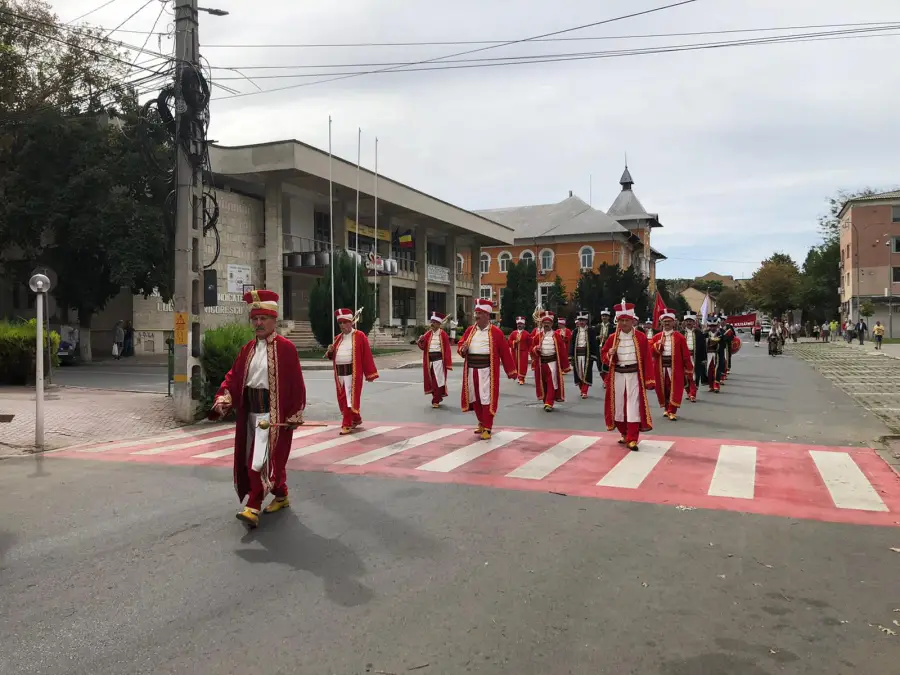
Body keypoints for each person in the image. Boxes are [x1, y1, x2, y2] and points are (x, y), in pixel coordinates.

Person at [210, 290, 307, 529]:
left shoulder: (287, 348)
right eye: (255, 319)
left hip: (273, 417)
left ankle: (253, 507)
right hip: (250, 415)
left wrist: (295, 413)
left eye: (263, 318)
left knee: (259, 462)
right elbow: (233, 378)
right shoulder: (247, 350)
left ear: (274, 320)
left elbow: (297, 384)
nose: (258, 323)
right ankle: (281, 494)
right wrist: (224, 397)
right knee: (257, 459)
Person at [458, 299, 517, 439]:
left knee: (486, 398)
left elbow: (505, 352)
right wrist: (462, 348)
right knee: (475, 397)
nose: (476, 316)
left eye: (479, 313)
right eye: (476, 313)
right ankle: (481, 422)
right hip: (471, 369)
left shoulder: (496, 332)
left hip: (487, 371)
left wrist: (511, 371)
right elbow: (461, 344)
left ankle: (488, 428)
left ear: (487, 315)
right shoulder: (470, 331)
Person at [601, 300, 655, 450]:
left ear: (633, 321)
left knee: (633, 406)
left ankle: (632, 438)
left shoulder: (641, 337)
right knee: (618, 406)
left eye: (627, 320)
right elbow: (604, 355)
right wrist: (609, 354)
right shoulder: (612, 338)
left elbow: (647, 360)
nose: (624, 323)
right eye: (621, 320)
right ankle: (624, 433)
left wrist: (649, 379)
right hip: (617, 375)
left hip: (634, 376)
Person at [325, 308, 379, 435]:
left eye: (345, 322)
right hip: (339, 374)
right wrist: (330, 351)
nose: (342, 325)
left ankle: (347, 423)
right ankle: (356, 419)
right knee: (343, 399)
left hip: (352, 374)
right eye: (340, 323)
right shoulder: (338, 338)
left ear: (351, 322)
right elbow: (331, 356)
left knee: (349, 399)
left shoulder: (360, 336)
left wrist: (370, 373)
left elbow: (367, 355)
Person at [650, 308, 694, 421]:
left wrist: (688, 368)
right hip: (660, 368)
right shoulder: (656, 337)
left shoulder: (680, 337)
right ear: (661, 323)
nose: (667, 324)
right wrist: (656, 347)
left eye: (669, 321)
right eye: (665, 322)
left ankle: (672, 410)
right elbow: (651, 353)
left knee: (675, 388)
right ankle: (666, 408)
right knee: (663, 388)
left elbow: (685, 355)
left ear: (674, 322)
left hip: (675, 368)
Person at [531, 310, 571, 411]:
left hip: (552, 363)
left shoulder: (556, 336)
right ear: (542, 323)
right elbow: (531, 350)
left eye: (548, 323)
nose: (546, 325)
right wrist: (536, 349)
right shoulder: (537, 336)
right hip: (541, 363)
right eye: (544, 323)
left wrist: (565, 365)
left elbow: (562, 351)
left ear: (552, 324)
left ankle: (549, 403)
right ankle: (546, 401)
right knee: (543, 383)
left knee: (551, 382)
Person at [417, 311, 452, 408]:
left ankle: (436, 400)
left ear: (439, 324)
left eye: (434, 322)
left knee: (437, 381)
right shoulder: (428, 334)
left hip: (439, 361)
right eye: (431, 321)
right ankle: (437, 396)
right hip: (429, 362)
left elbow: (447, 349)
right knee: (431, 381)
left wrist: (447, 363)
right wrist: (421, 341)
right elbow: (423, 347)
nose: (432, 323)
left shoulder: (443, 335)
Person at [570, 312, 599, 399]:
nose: (581, 322)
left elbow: (594, 344)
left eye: (583, 320)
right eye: (580, 320)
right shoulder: (575, 331)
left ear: (586, 321)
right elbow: (572, 344)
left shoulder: (590, 331)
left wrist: (594, 355)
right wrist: (570, 356)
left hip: (587, 355)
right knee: (579, 373)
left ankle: (584, 391)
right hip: (577, 354)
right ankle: (581, 389)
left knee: (586, 373)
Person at [681, 312, 706, 402]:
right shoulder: (680, 333)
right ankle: (688, 392)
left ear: (694, 322)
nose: (689, 323)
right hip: (683, 358)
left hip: (696, 358)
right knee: (685, 376)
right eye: (687, 321)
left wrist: (704, 358)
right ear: (684, 322)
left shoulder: (699, 333)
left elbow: (703, 347)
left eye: (690, 321)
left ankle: (693, 394)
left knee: (694, 376)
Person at [507, 316, 532, 385]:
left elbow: (530, 343)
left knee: (523, 366)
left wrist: (530, 351)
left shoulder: (526, 334)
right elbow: (509, 341)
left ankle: (522, 378)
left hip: (523, 352)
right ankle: (517, 376)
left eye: (521, 324)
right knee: (515, 365)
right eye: (518, 324)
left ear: (524, 325)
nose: (519, 325)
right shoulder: (513, 333)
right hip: (515, 352)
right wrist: (514, 342)